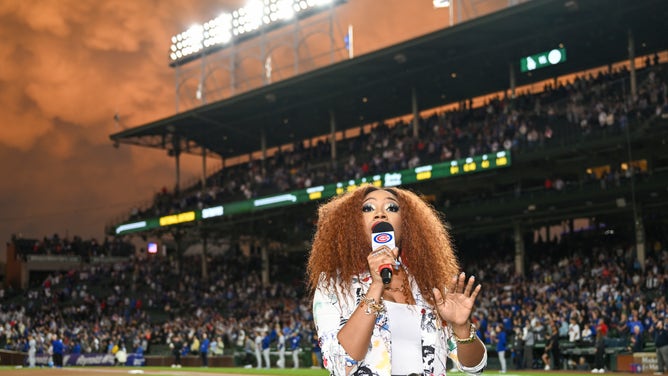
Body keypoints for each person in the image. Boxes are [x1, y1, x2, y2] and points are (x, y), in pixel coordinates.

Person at [307, 185, 487, 376]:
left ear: (406, 223)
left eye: (392, 208)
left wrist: (461, 328)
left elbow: (474, 368)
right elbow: (341, 363)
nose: (380, 214)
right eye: (368, 208)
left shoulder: (428, 285)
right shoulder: (334, 285)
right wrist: (376, 286)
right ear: (353, 223)